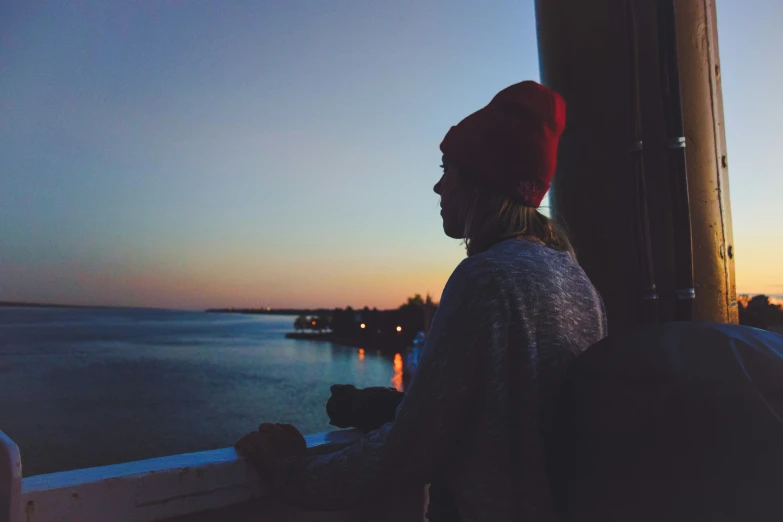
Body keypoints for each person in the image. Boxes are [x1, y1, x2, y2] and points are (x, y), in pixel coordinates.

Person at [235, 81, 608, 521]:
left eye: (447, 168)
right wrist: (396, 407)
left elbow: (408, 454)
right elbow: (518, 413)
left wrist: (290, 470)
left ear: (479, 180)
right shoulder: (576, 279)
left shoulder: (486, 278)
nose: (437, 186)